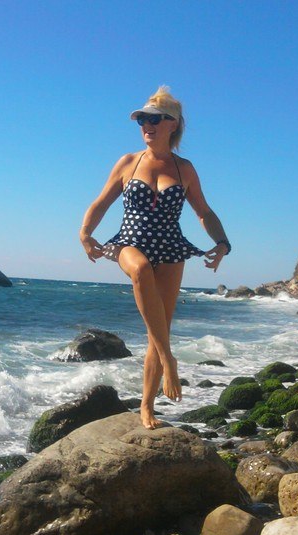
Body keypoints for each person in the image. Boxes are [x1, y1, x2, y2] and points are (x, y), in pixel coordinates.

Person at [79, 86, 231, 429]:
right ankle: (169, 359)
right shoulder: (128, 162)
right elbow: (101, 202)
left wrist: (222, 243)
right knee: (141, 269)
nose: (146, 125)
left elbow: (204, 212)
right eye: (142, 120)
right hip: (130, 242)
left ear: (172, 124)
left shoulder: (184, 169)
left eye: (154, 119)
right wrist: (85, 233)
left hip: (171, 247)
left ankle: (146, 407)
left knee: (157, 330)